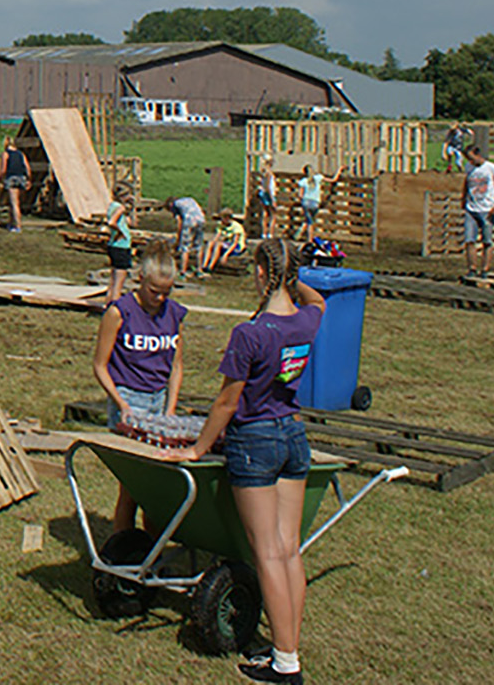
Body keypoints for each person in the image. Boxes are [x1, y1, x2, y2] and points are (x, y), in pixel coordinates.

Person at [164, 240, 327, 685]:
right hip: (294, 436)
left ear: (260, 272)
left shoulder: (250, 333)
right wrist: (291, 279)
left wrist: (197, 449)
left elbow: (226, 401)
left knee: (268, 555)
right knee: (289, 550)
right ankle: (289, 651)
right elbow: (319, 299)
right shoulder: (307, 321)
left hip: (255, 442)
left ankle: (285, 664)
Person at [92, 243, 185, 531]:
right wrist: (122, 405)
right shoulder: (120, 312)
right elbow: (99, 365)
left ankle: (150, 547)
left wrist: (170, 408)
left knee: (156, 484)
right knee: (132, 486)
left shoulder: (174, 314)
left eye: (165, 292)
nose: (159, 298)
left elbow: (176, 365)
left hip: (159, 401)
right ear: (140, 279)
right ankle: (125, 544)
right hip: (130, 398)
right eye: (154, 291)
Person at [461, 143, 494, 279]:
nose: (470, 161)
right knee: (469, 240)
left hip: (487, 209)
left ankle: (485, 269)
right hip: (471, 208)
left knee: (487, 241)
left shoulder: (492, 168)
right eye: (468, 159)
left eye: (471, 158)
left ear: (478, 155)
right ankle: (472, 268)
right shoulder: (469, 167)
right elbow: (466, 183)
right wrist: (463, 198)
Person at [103, 181, 135, 305]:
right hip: (122, 246)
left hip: (113, 245)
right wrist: (120, 232)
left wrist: (132, 209)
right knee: (119, 282)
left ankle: (108, 302)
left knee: (113, 279)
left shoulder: (113, 206)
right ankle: (115, 306)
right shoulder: (120, 208)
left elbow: (132, 223)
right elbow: (112, 222)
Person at [294, 163, 341, 245]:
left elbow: (300, 195)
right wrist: (339, 170)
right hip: (315, 202)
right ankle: (308, 238)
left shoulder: (303, 181)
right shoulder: (318, 178)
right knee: (310, 221)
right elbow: (333, 180)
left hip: (306, 202)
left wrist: (300, 201)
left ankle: (304, 235)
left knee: (309, 222)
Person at [200, 208, 249, 276]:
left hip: (236, 247)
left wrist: (225, 255)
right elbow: (217, 237)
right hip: (226, 244)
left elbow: (235, 243)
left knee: (218, 245)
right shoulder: (221, 224)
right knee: (211, 243)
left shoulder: (236, 227)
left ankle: (210, 267)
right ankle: (204, 265)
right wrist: (212, 243)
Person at [166, 195, 206, 277]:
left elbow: (179, 222)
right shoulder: (190, 199)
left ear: (170, 204)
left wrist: (178, 239)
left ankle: (183, 271)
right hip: (201, 220)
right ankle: (199, 270)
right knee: (198, 246)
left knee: (185, 247)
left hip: (189, 221)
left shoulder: (175, 205)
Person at [0, 135, 30, 233]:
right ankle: (11, 223)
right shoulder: (21, 154)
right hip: (22, 178)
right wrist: (29, 180)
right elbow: (27, 168)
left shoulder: (5, 154)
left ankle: (17, 225)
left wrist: (1, 180)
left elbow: (3, 169)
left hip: (11, 178)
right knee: (15, 202)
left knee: (14, 203)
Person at [256, 155, 278, 238]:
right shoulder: (269, 173)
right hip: (268, 194)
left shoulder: (264, 173)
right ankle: (270, 233)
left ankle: (264, 232)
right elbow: (269, 186)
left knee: (265, 214)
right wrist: (272, 200)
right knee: (273, 215)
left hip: (263, 193)